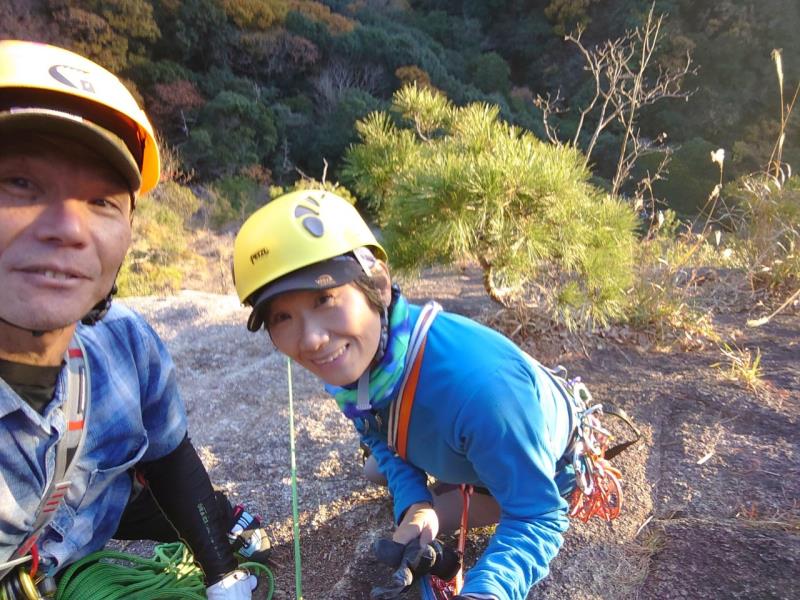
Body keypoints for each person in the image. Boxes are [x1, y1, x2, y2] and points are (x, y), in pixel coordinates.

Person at [0, 40, 267, 600]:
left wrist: (221, 574)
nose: (68, 228)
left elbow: (169, 460)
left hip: (78, 528)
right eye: (19, 183)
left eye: (101, 200)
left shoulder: (122, 341)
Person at [231, 189, 589, 600]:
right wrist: (416, 504)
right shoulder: (359, 366)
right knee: (375, 472)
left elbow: (537, 515)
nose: (311, 339)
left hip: (544, 469)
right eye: (282, 317)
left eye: (325, 298)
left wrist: (487, 590)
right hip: (463, 445)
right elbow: (380, 438)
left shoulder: (482, 391)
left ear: (378, 284)